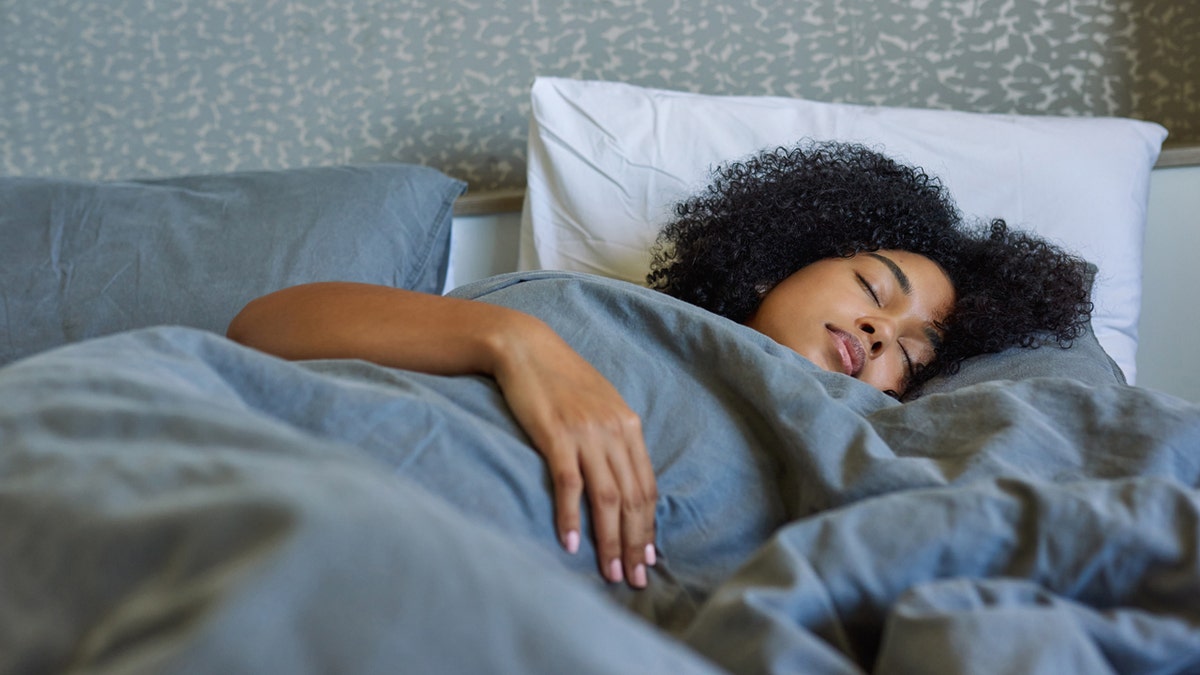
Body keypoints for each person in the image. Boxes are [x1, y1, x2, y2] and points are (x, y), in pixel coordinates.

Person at [226, 140, 1091, 591]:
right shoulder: (576, 303)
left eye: (910, 350)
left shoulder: (858, 438)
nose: (878, 327)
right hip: (301, 469)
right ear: (783, 258)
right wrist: (517, 343)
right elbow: (263, 327)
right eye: (874, 286)